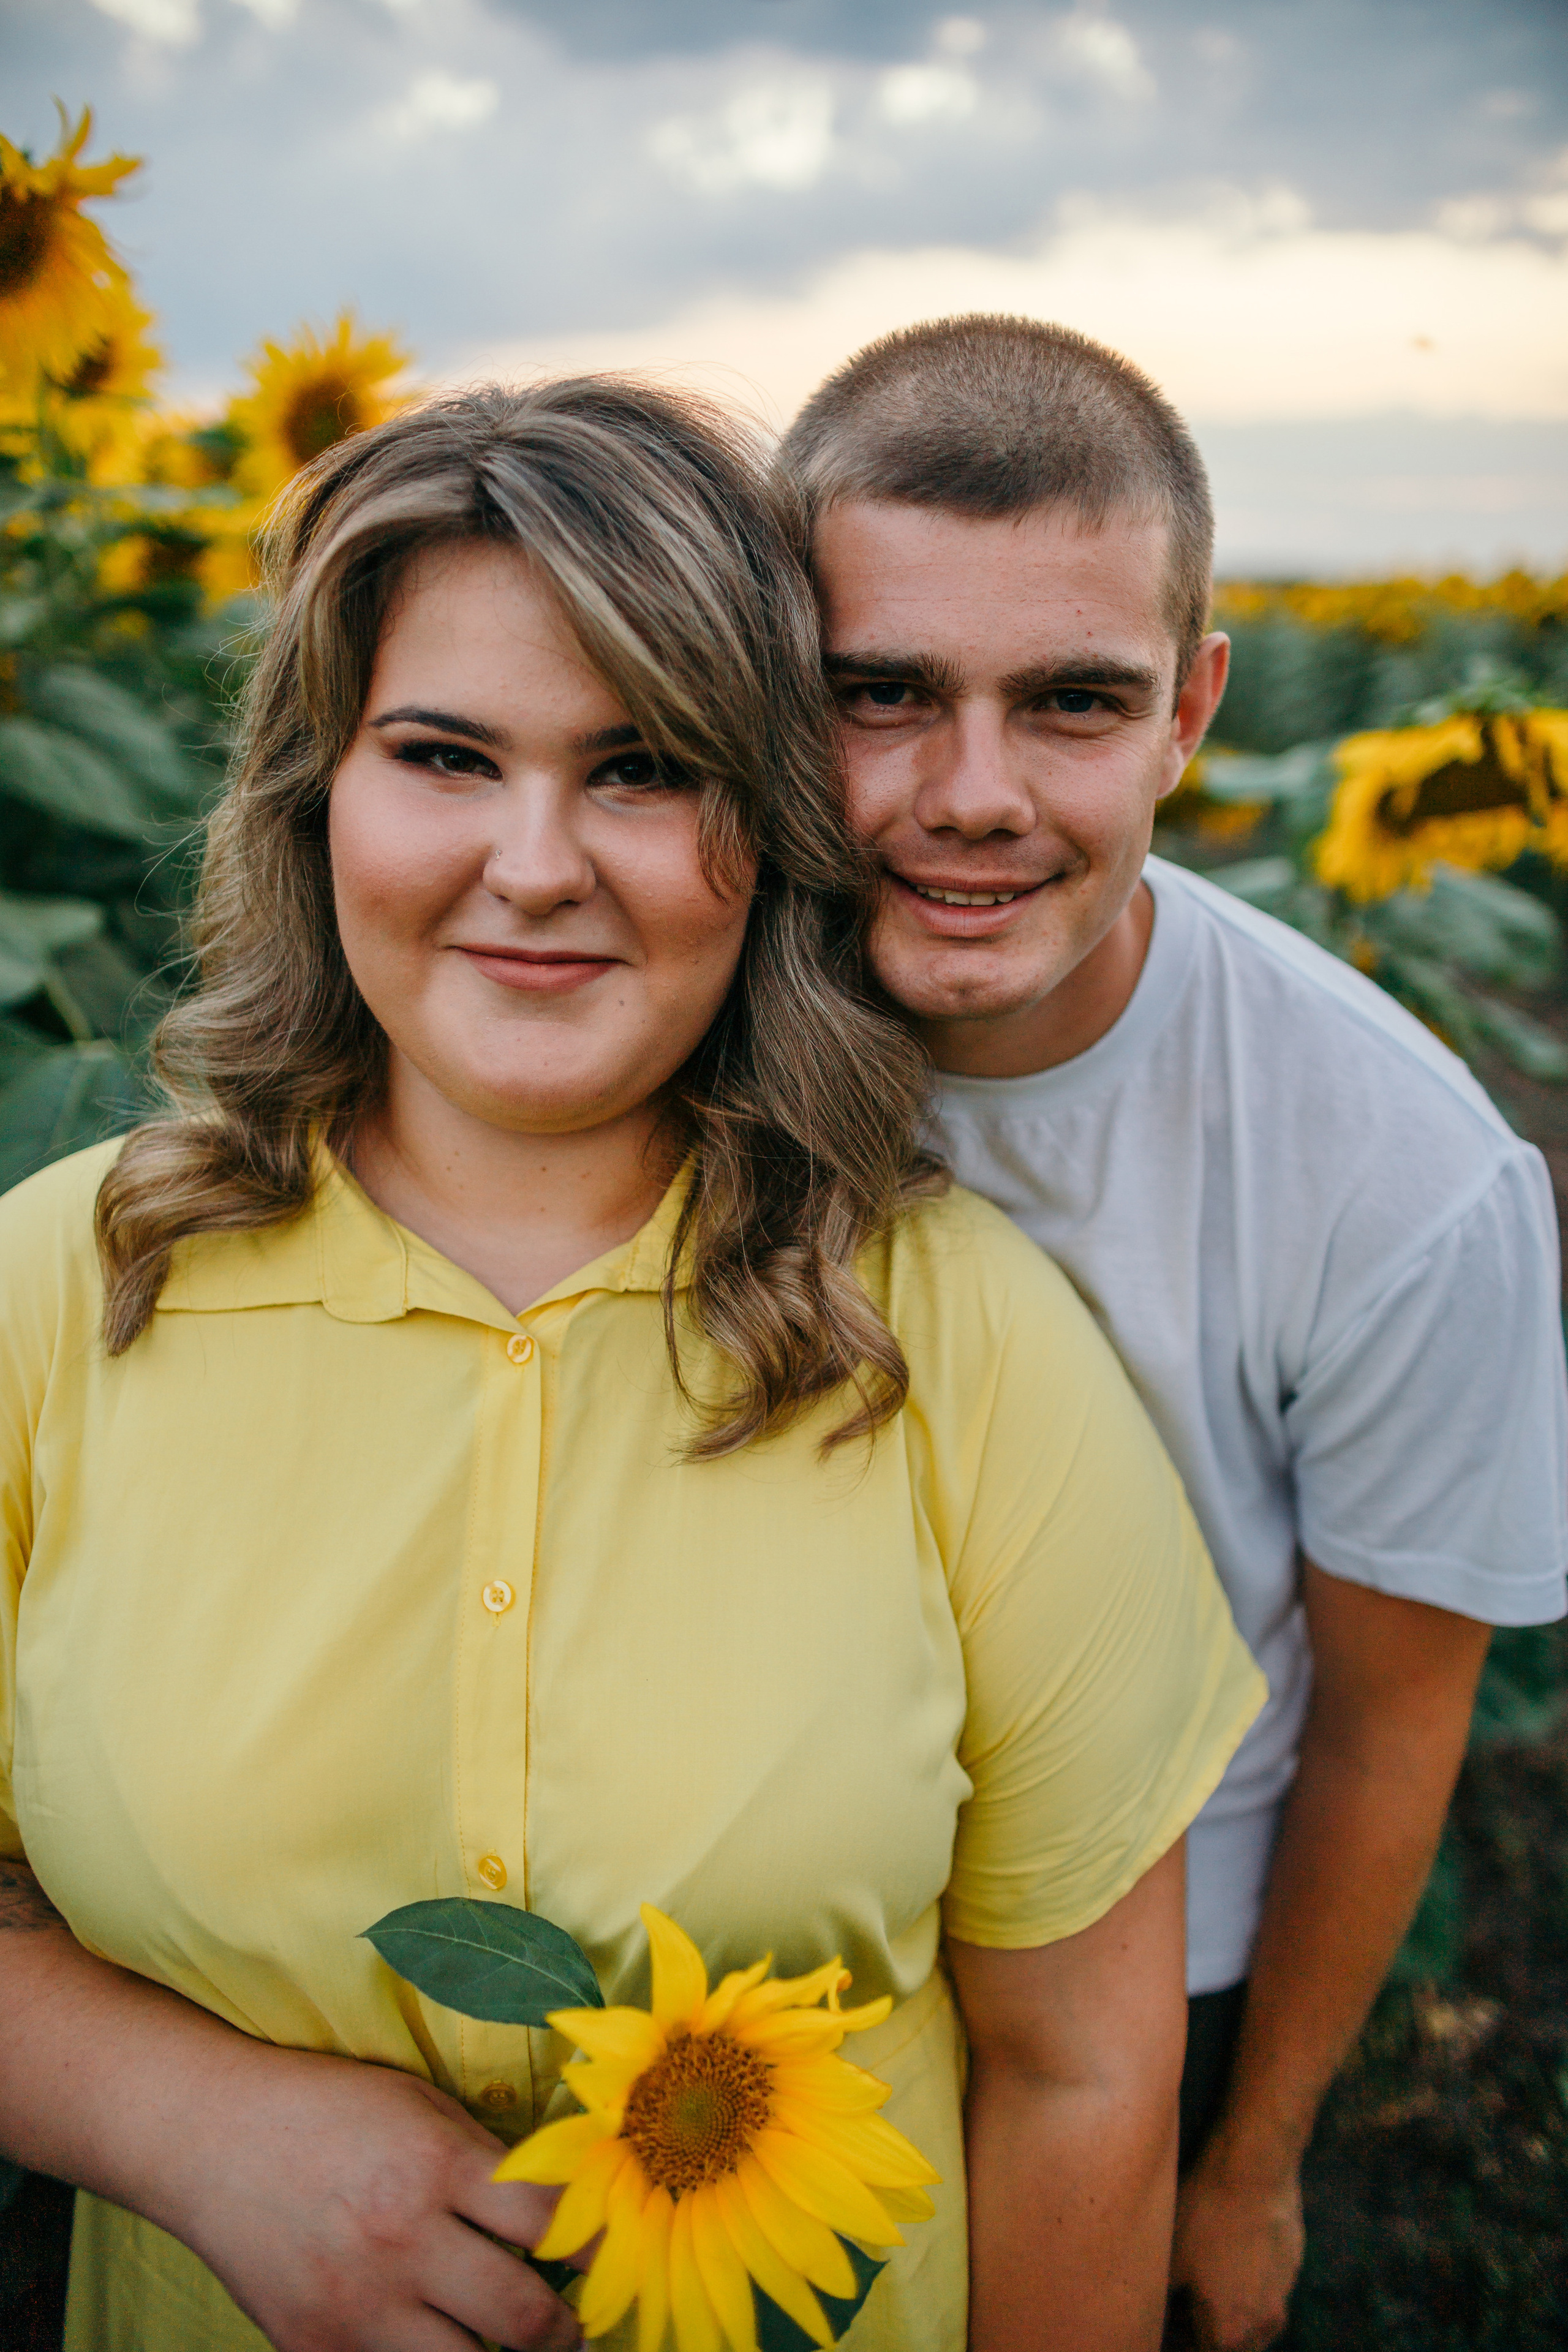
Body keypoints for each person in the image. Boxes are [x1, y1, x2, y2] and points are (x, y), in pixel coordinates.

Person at [0, 378, 1263, 2352]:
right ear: (314, 783)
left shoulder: (964, 1338)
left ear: (765, 827)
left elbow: (1083, 2077)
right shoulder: (59, 1291)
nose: (534, 862)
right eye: (442, 754)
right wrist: (186, 2122)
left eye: (645, 769)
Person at [778, 315, 1568, 2352]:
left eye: (1072, 703)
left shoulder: (1397, 1175)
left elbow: (1400, 1728)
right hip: (733, 1918)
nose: (972, 796)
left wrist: (1255, 2161)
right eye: (882, 695)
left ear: (1191, 708)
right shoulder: (655, 1016)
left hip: (1158, 1970)